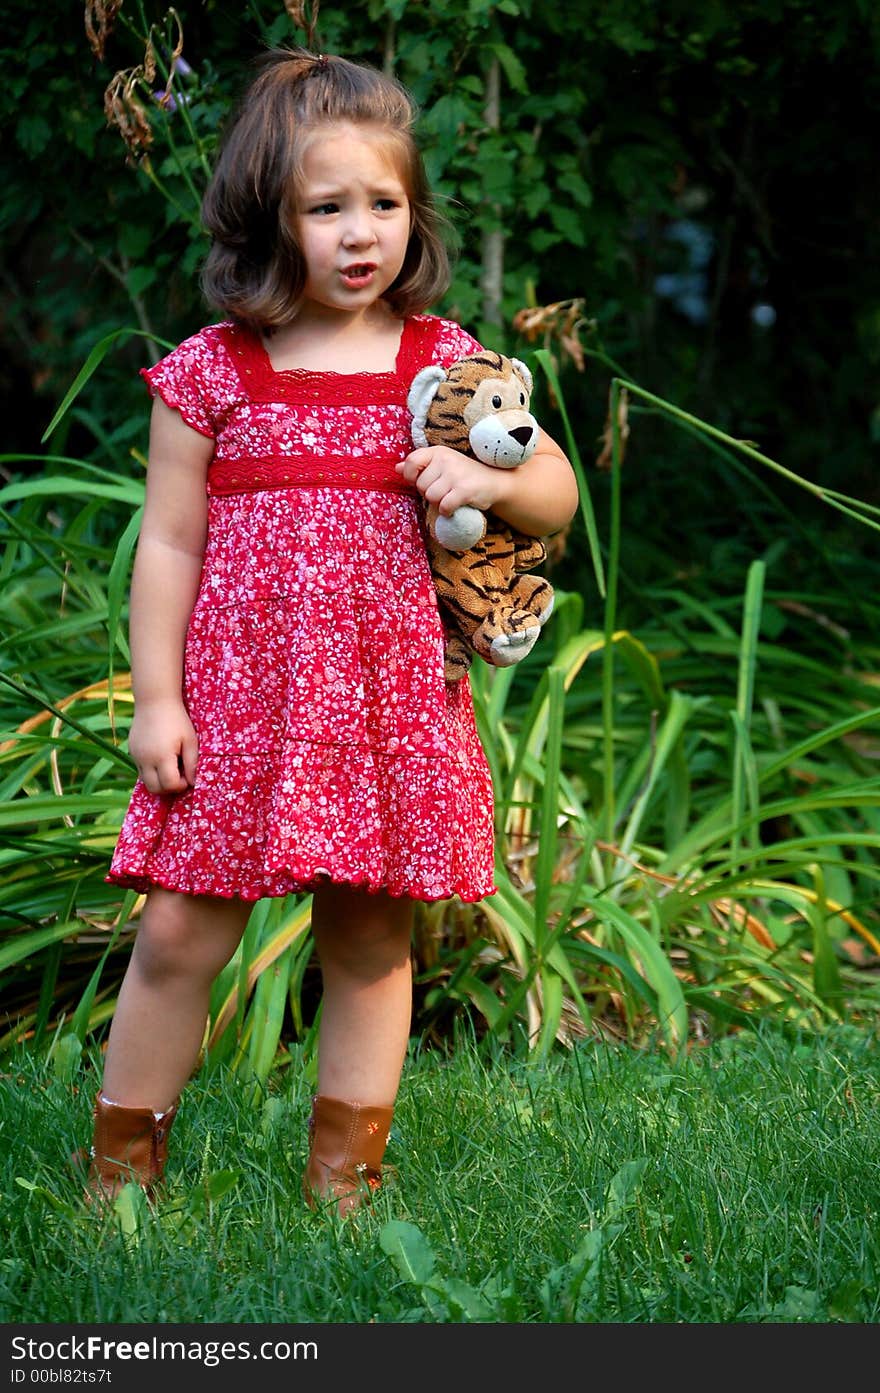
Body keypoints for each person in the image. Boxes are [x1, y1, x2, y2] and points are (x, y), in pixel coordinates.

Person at [82, 46, 579, 1217]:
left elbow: (552, 493)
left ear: (414, 214)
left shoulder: (443, 367)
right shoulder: (214, 374)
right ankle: (117, 1179)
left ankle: (345, 1184)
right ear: (266, 218)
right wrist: (158, 700)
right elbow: (170, 545)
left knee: (369, 946)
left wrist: (485, 474)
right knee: (177, 940)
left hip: (383, 706)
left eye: (384, 205)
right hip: (239, 708)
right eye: (326, 208)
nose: (362, 234)